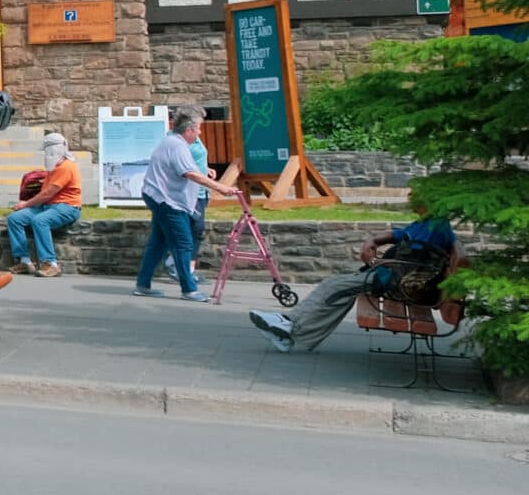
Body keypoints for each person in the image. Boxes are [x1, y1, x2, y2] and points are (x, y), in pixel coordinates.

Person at [251, 217, 459, 352]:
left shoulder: (435, 226)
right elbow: (400, 235)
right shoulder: (430, 222)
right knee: (339, 291)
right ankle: (291, 333)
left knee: (334, 286)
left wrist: (377, 258)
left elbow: (410, 254)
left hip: (399, 284)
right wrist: (373, 241)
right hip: (398, 278)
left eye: (415, 194)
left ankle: (290, 323)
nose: (411, 196)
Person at [134, 107, 241, 299]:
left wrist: (206, 173)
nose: (200, 132)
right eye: (198, 128)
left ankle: (143, 285)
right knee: (183, 243)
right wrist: (221, 187)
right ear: (189, 130)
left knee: (158, 243)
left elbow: (189, 169)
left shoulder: (171, 142)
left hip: (158, 196)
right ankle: (189, 288)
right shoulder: (178, 146)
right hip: (167, 201)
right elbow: (189, 173)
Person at [5, 131, 82, 276]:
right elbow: (46, 192)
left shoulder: (66, 167)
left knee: (39, 221)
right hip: (49, 205)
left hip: (67, 207)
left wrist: (25, 204)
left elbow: (47, 194)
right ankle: (24, 261)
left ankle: (50, 263)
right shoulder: (56, 166)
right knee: (14, 219)